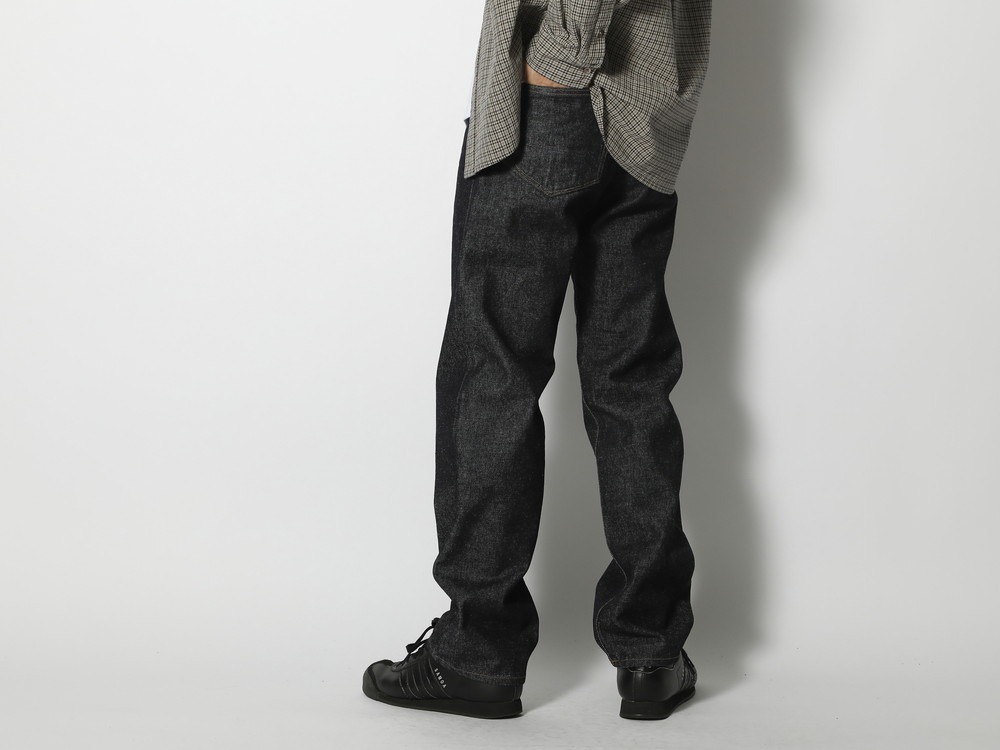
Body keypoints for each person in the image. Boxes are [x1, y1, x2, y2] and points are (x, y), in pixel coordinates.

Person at [362, 0, 713, 720]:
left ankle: (477, 655)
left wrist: (567, 50)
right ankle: (650, 651)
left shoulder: (563, 66)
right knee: (630, 383)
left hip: (555, 101)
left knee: (492, 376)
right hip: (651, 118)